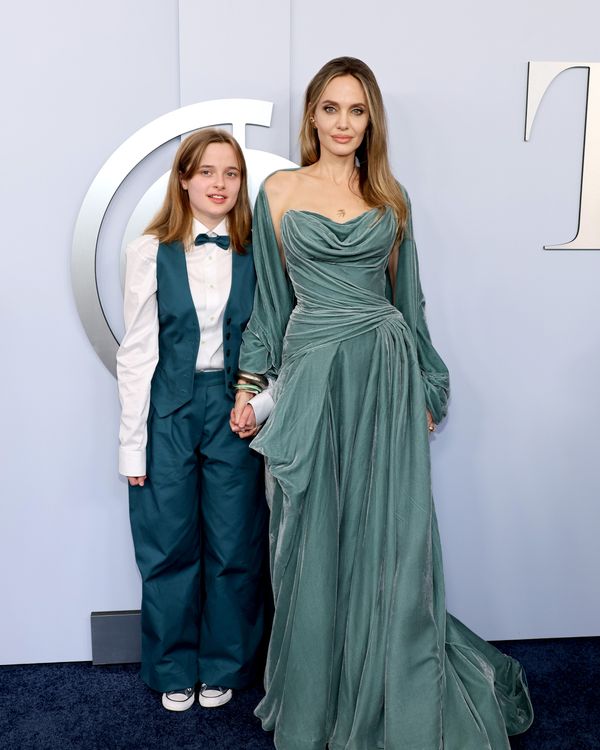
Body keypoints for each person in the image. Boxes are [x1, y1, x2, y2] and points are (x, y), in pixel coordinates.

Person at [231, 57, 534, 749]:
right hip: (311, 374)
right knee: (306, 537)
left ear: (371, 121)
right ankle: (317, 694)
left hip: (385, 375)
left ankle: (385, 685)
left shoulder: (390, 197)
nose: (343, 122)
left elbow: (409, 303)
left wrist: (427, 384)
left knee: (387, 541)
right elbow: (269, 305)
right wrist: (251, 388)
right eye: (331, 108)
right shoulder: (277, 189)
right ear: (312, 115)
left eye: (357, 110)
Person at [117, 128, 271, 712]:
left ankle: (225, 663)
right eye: (206, 171)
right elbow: (134, 352)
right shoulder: (148, 251)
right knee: (167, 544)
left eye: (230, 173)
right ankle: (172, 666)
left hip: (235, 410)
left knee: (234, 544)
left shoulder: (261, 252)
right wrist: (132, 448)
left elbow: (275, 341)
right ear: (183, 179)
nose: (219, 184)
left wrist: (259, 403)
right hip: (169, 409)